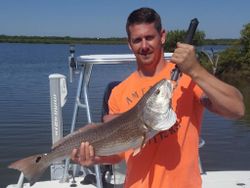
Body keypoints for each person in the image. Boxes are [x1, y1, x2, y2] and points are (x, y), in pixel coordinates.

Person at [71, 7, 245, 188]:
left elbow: (237, 109)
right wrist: (94, 158)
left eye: (150, 37)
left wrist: (195, 70)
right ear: (129, 43)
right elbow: (120, 153)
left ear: (162, 36)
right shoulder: (118, 93)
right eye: (137, 40)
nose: (144, 46)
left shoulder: (188, 78)